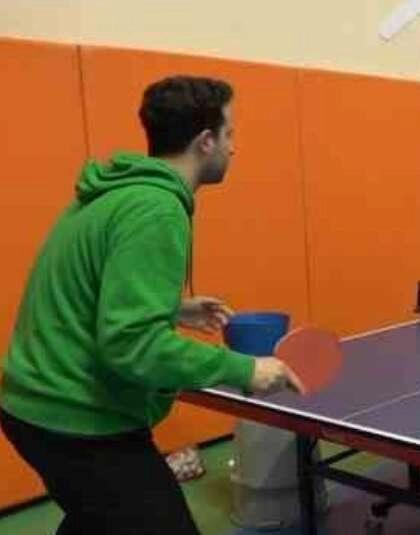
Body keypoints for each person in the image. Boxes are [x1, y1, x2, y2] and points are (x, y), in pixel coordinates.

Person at [0, 75, 304, 535]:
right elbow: (134, 345)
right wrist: (246, 370)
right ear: (205, 141)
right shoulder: (156, 209)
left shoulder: (115, 195)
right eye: (229, 133)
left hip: (32, 406)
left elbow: (89, 288)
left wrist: (173, 309)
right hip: (75, 416)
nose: (234, 147)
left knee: (97, 519)